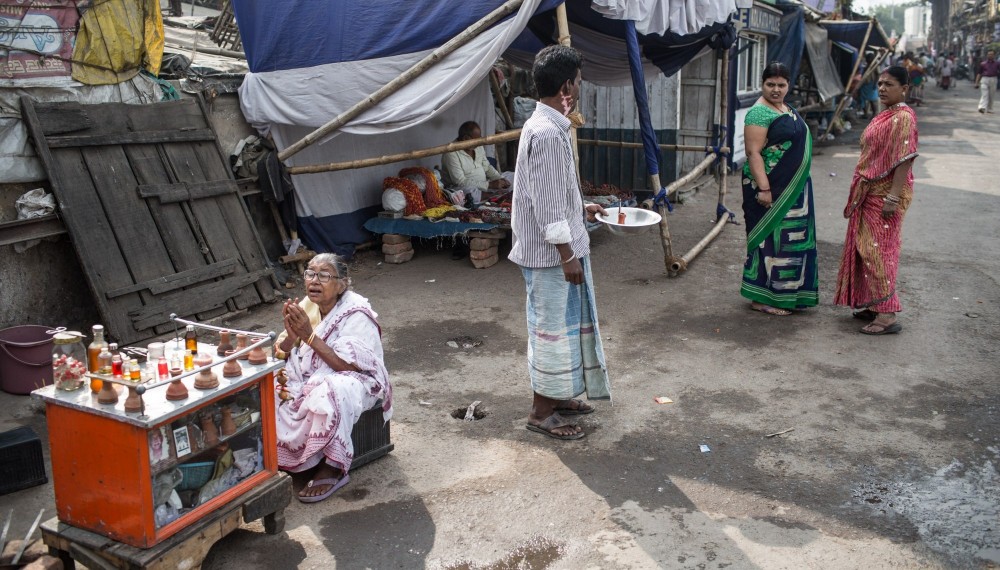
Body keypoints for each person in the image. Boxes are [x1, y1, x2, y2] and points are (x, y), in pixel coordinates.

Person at [508, 45, 610, 441]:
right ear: (567, 85)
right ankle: (540, 412)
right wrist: (567, 255)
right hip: (551, 257)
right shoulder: (548, 133)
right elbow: (548, 206)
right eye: (579, 82)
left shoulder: (547, 125)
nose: (580, 87)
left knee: (564, 329)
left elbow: (547, 193)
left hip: (553, 250)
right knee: (550, 330)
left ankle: (559, 397)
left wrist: (580, 207)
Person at [274, 253, 393, 502]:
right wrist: (290, 334)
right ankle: (288, 455)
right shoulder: (308, 305)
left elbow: (348, 366)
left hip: (356, 380)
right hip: (311, 373)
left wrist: (307, 335)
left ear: (342, 284)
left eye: (324, 275)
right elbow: (284, 352)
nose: (314, 281)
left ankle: (333, 466)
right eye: (310, 273)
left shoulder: (357, 313)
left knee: (332, 389)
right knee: (270, 379)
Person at [834, 66, 918, 335]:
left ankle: (887, 314)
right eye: (880, 84)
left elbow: (905, 159)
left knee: (877, 251)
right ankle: (872, 304)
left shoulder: (904, 117)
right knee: (863, 248)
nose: (882, 88)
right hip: (868, 191)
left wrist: (893, 196)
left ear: (904, 88)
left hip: (885, 194)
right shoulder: (886, 114)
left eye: (889, 84)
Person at [740, 61, 819, 316]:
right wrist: (764, 188)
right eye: (770, 84)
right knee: (769, 241)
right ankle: (761, 298)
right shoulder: (759, 113)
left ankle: (790, 294)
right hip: (769, 189)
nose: (776, 89)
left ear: (788, 85)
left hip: (795, 189)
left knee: (791, 242)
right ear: (762, 84)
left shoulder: (786, 108)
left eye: (781, 85)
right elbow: (753, 153)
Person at [440, 121, 510, 203]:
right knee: (466, 193)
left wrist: (500, 179)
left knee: (510, 176)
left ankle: (493, 194)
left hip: (485, 185)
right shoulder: (451, 153)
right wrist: (489, 185)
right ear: (466, 138)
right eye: (476, 140)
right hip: (463, 188)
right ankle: (492, 195)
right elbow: (460, 182)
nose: (479, 143)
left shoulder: (478, 146)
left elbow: (487, 167)